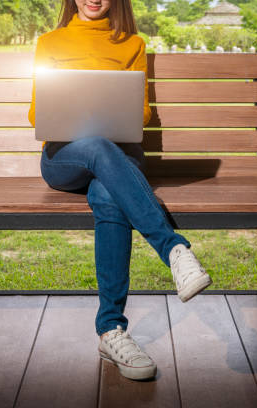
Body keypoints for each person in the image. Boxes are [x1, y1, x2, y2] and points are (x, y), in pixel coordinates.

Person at [27, 0, 213, 381]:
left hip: (120, 159)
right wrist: (78, 113)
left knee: (108, 193)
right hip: (64, 158)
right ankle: (173, 249)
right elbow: (35, 113)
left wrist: (112, 106)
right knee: (95, 145)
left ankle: (111, 331)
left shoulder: (132, 44)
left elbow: (142, 114)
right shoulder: (49, 42)